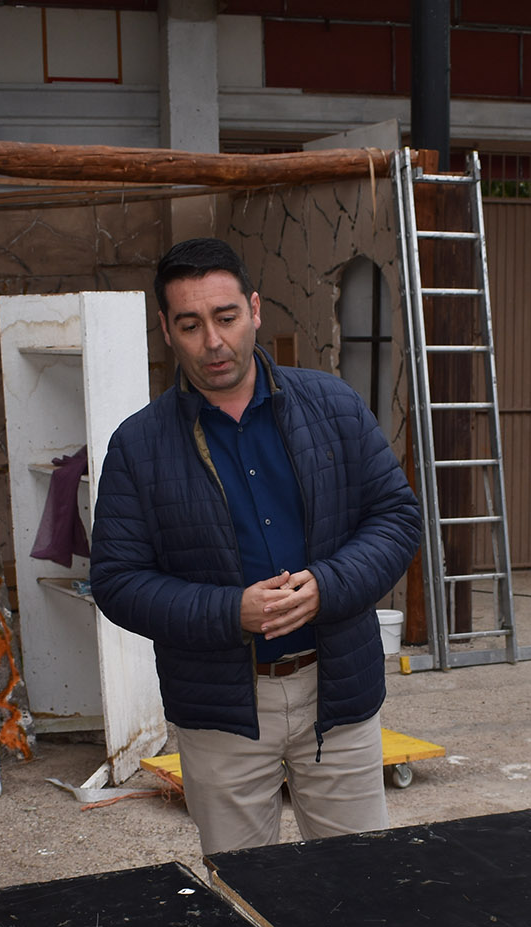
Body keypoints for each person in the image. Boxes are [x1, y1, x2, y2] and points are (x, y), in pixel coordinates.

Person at [90, 239, 422, 854]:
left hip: (338, 692)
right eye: (190, 324)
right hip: (222, 708)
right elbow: (118, 580)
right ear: (167, 329)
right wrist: (229, 612)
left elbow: (396, 516)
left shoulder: (334, 406)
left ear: (255, 310)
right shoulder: (138, 446)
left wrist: (328, 585)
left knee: (364, 882)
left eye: (226, 317)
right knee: (247, 897)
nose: (213, 342)